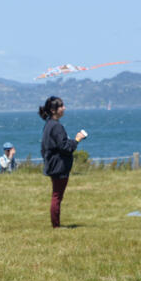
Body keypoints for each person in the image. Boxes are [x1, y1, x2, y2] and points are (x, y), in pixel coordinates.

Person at [39, 96, 87, 227]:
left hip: (53, 165)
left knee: (57, 195)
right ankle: (56, 225)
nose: (64, 108)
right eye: (61, 106)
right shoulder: (56, 127)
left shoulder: (49, 124)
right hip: (59, 167)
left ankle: (56, 224)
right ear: (54, 110)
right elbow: (65, 147)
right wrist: (77, 139)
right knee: (57, 196)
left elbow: (46, 147)